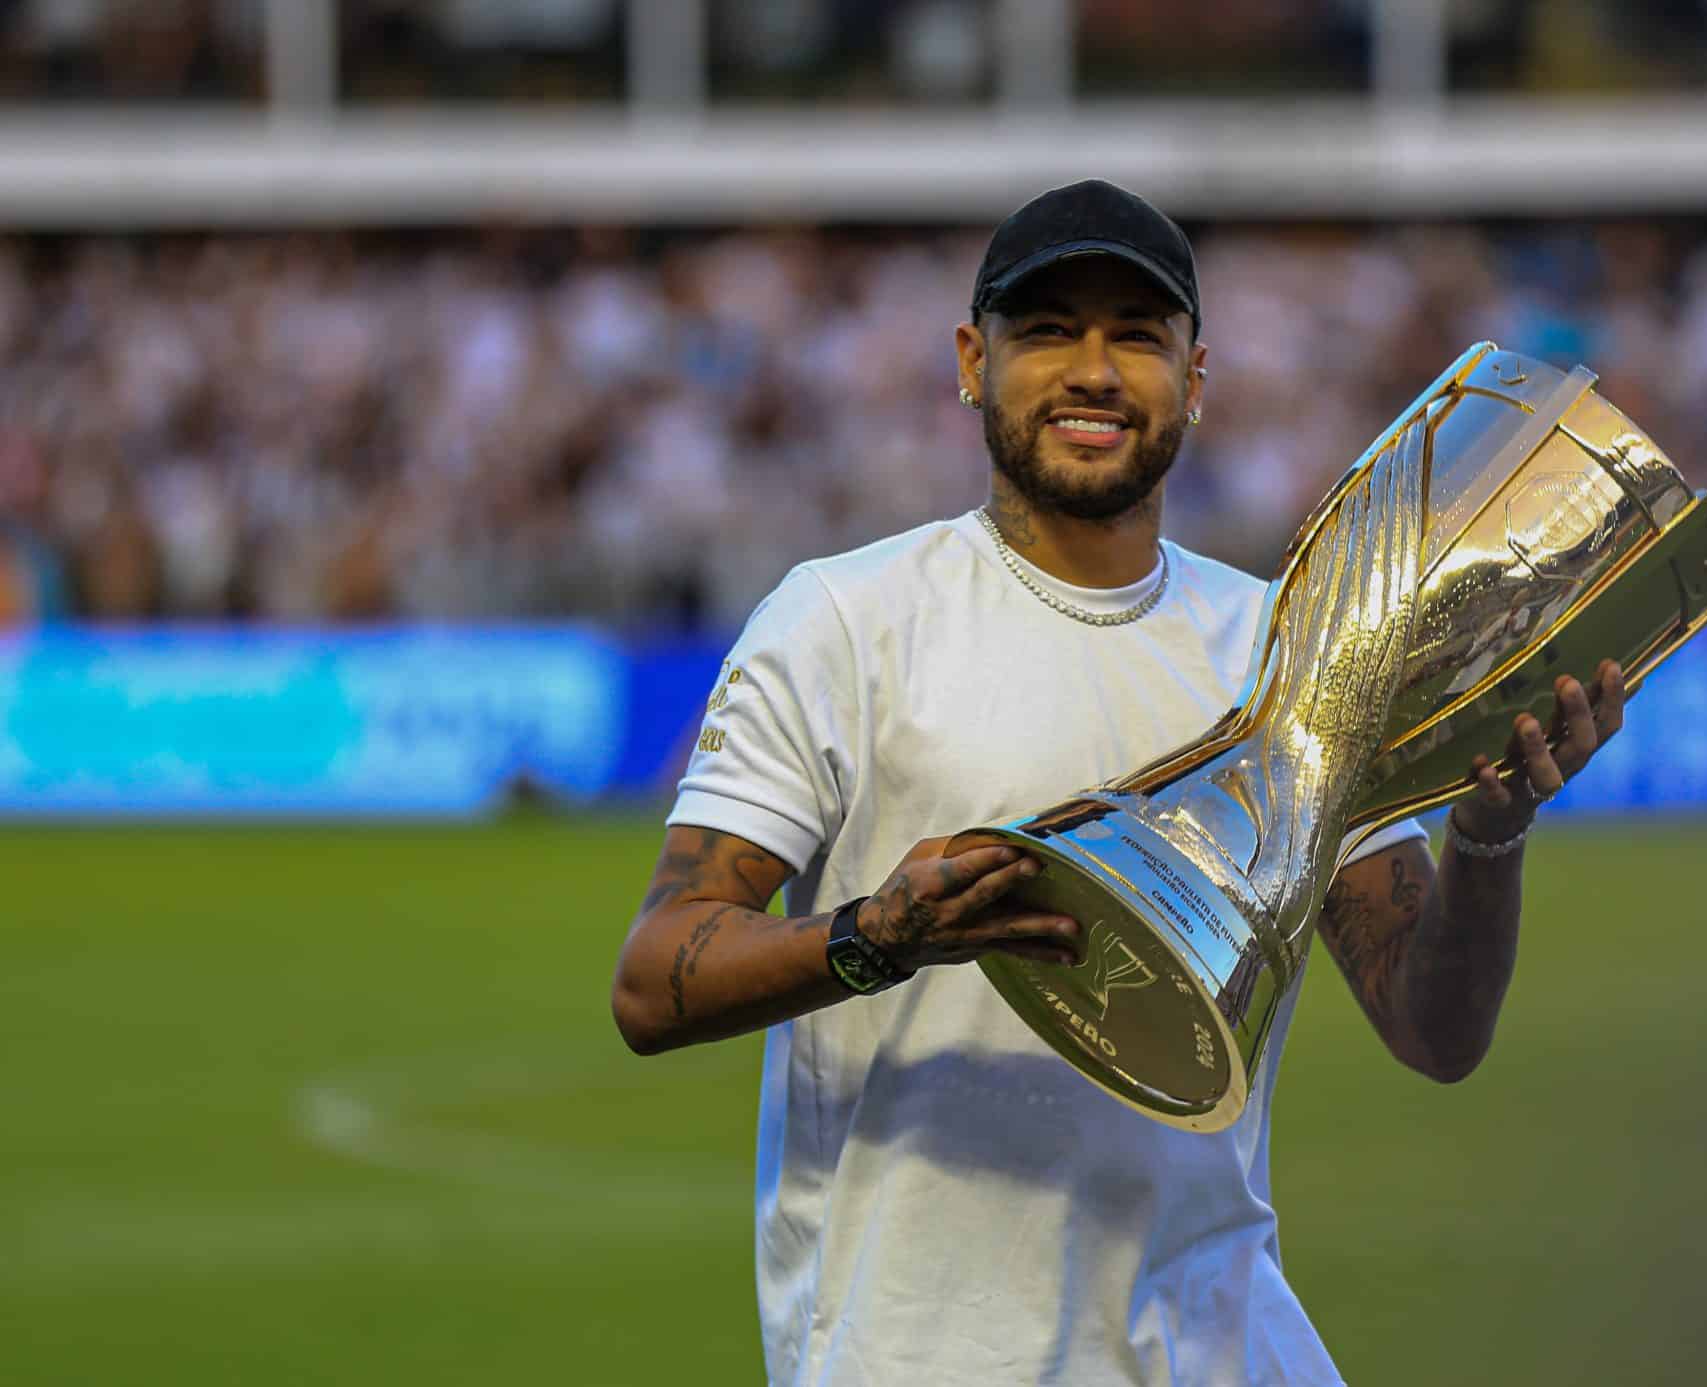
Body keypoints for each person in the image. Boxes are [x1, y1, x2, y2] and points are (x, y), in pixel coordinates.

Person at [610, 180, 1628, 1386]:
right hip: (924, 1354)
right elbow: (652, 982)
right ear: (971, 363)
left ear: (1193, 379)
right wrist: (876, 936)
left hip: (1220, 1347)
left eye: (1135, 336)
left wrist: (1488, 834)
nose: (1092, 371)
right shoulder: (844, 621)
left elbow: (1433, 1028)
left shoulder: (1288, 655)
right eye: (1047, 330)